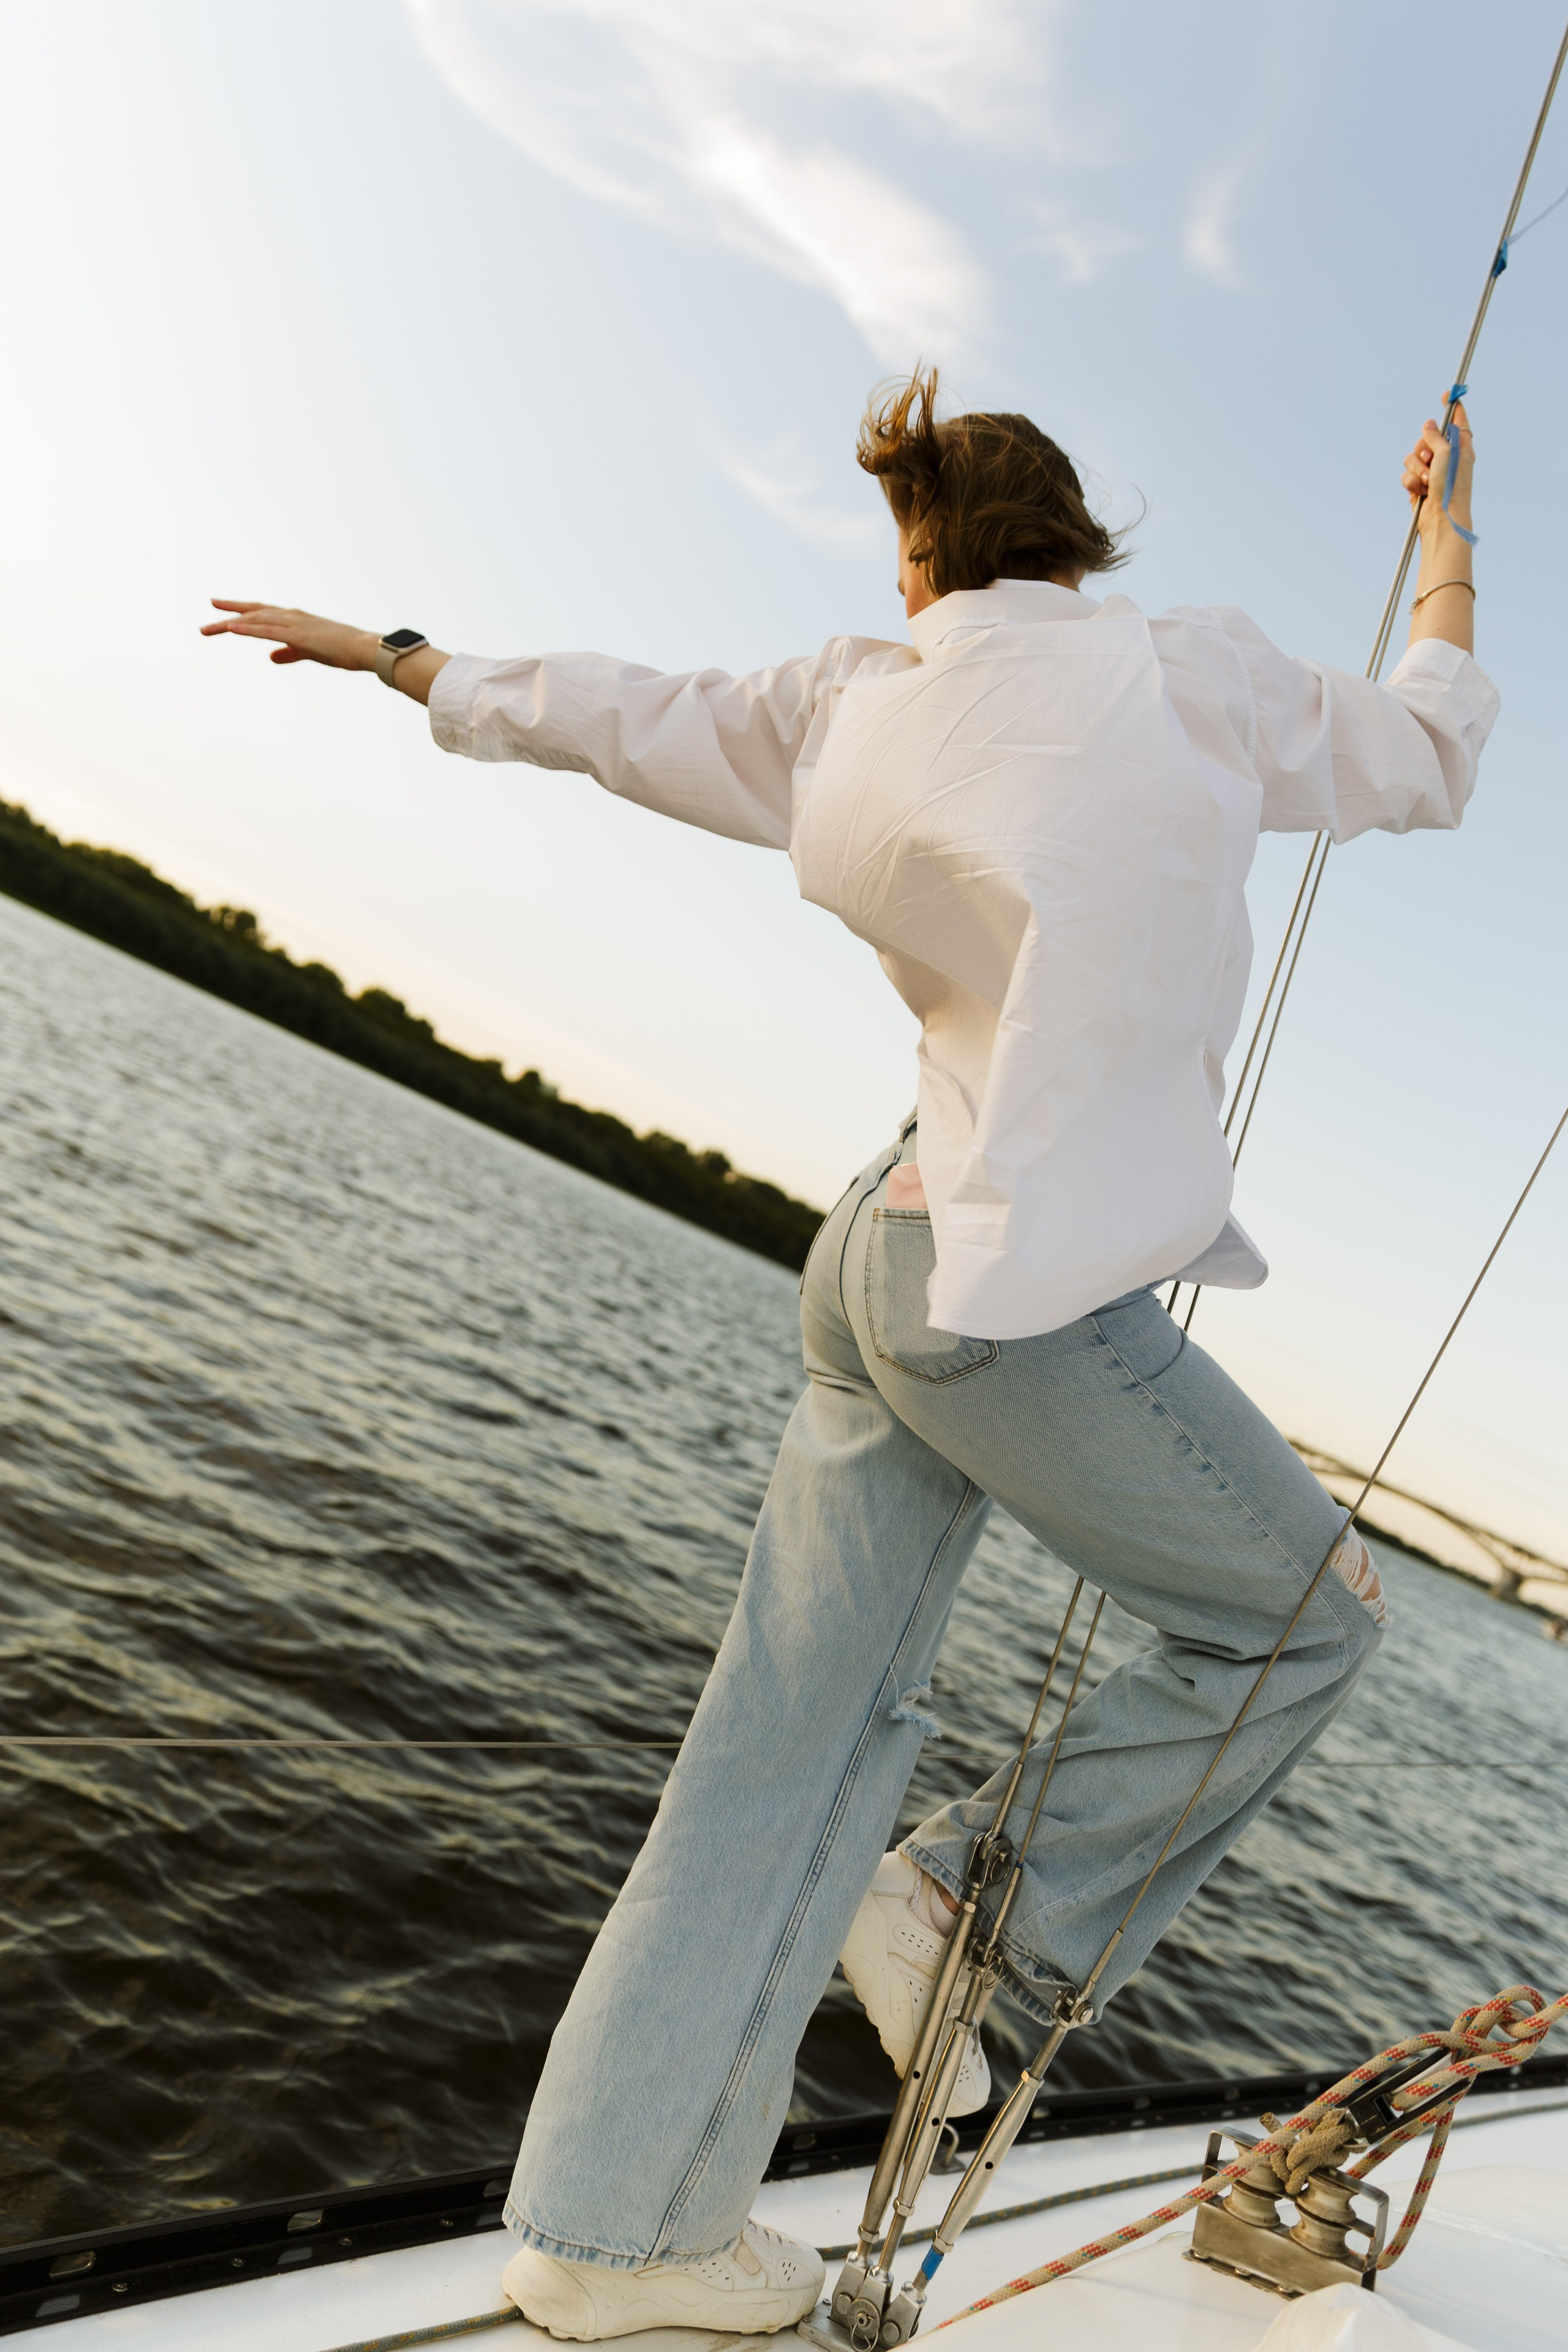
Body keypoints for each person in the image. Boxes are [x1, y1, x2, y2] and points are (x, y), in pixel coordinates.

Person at [203, 373, 1494, 2342]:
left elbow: (615, 717)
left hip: (878, 1252)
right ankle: (967, 1903)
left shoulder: (855, 697)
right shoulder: (1190, 672)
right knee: (1307, 1619)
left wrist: (403, 658)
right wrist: (1449, 539)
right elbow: (1432, 748)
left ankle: (618, 2233)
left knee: (774, 1752)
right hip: (1011, 1304)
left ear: (922, 556)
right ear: (1079, 543)